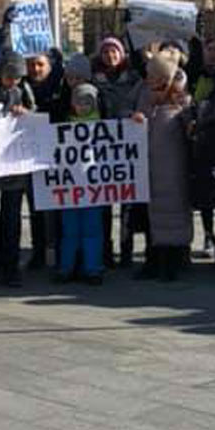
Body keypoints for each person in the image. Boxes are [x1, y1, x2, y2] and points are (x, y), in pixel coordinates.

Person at [0, 52, 35, 288]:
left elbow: (35, 117)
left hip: (13, 164)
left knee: (11, 217)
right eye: (10, 76)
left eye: (18, 78)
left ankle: (11, 265)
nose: (13, 81)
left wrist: (26, 114)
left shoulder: (23, 92)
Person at [135, 54, 193, 282]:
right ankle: (153, 260)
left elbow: (192, 131)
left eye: (153, 75)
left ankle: (174, 261)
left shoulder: (181, 102)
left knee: (174, 215)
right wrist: (136, 119)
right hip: (150, 169)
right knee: (154, 217)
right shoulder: (145, 99)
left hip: (174, 170)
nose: (149, 79)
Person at [92, 37, 144, 268]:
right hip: (101, 146)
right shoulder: (94, 79)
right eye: (106, 52)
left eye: (114, 52)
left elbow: (139, 103)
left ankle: (126, 249)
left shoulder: (133, 78)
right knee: (103, 201)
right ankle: (105, 248)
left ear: (122, 54)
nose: (110, 56)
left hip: (126, 145)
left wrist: (133, 116)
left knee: (127, 202)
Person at [55, 83, 106, 284]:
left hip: (94, 188)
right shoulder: (64, 124)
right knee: (70, 230)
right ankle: (66, 267)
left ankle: (92, 268)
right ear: (72, 104)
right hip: (70, 189)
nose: (83, 106)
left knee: (92, 229)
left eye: (88, 102)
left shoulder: (104, 125)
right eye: (79, 102)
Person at [24, 49, 64, 270]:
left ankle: (58, 250)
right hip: (30, 155)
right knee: (35, 207)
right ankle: (39, 251)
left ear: (49, 66)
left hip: (56, 154)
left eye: (40, 64)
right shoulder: (22, 87)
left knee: (57, 205)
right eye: (31, 65)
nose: (35, 69)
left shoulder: (58, 86)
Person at [192, 37, 215, 257]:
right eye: (209, 49)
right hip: (202, 140)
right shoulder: (197, 74)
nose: (212, 53)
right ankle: (208, 234)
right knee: (205, 192)